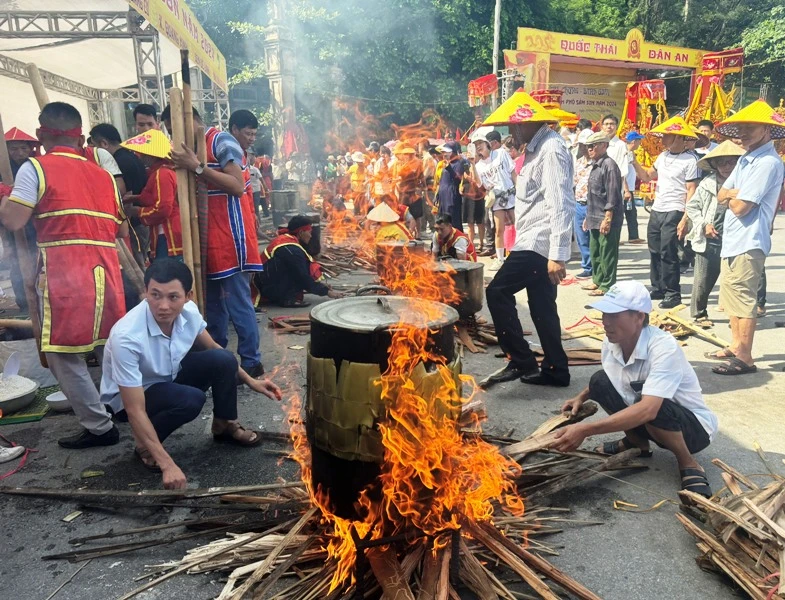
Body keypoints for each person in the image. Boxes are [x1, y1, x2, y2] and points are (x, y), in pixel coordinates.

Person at [0, 101, 126, 449]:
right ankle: (120, 407)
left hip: (64, 271)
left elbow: (12, 220)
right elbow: (119, 231)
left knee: (61, 352)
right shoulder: (103, 175)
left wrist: (6, 196)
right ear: (81, 136)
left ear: (41, 135)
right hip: (107, 269)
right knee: (109, 346)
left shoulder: (34, 169)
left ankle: (100, 427)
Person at [99, 259, 282, 488]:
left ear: (188, 296)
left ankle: (224, 425)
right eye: (155, 295)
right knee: (190, 400)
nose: (163, 305)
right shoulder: (126, 337)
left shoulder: (189, 312)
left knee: (223, 358)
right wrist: (167, 465)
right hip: (133, 397)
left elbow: (214, 348)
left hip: (168, 375)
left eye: (173, 297)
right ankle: (145, 448)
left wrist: (251, 381)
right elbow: (134, 409)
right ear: (145, 292)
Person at [551, 281, 717, 499]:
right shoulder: (612, 343)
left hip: (692, 430)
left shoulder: (663, 347)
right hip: (651, 417)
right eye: (604, 315)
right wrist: (580, 397)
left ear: (639, 317)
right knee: (599, 381)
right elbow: (612, 378)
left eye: (614, 315)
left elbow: (648, 410)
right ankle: (638, 443)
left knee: (654, 406)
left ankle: (689, 463)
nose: (605, 323)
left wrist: (586, 429)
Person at [484, 91, 573, 388]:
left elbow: (560, 202)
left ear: (528, 124)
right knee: (542, 307)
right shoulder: (535, 149)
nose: (511, 133)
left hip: (539, 243)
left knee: (497, 292)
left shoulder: (551, 149)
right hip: (533, 237)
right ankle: (556, 370)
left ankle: (520, 360)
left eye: (514, 127)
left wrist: (558, 255)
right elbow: (531, 196)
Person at [167, 107, 265, 377]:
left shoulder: (220, 140)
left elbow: (236, 185)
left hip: (231, 239)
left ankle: (251, 362)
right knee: (213, 308)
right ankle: (219, 361)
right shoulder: (189, 149)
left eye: (172, 128)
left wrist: (197, 167)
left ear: (187, 120)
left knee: (237, 303)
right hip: (206, 241)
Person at [708, 101, 785, 375]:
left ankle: (745, 357)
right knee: (732, 299)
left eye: (749, 127)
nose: (742, 133)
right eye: (740, 128)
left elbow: (741, 206)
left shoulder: (766, 163)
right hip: (735, 238)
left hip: (749, 239)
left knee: (743, 299)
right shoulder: (746, 158)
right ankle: (736, 344)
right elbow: (721, 194)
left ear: (766, 129)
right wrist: (732, 194)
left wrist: (731, 195)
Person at [631, 116, 699, 309]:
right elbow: (646, 176)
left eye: (667, 135)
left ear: (678, 137)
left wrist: (686, 218)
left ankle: (672, 293)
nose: (662, 138)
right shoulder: (663, 156)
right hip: (658, 208)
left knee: (668, 252)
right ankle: (658, 287)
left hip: (675, 209)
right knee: (654, 250)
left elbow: (691, 190)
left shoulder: (690, 160)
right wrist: (633, 161)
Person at [685, 141, 745, 323]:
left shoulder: (743, 183)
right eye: (722, 163)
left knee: (734, 281)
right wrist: (704, 224)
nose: (727, 167)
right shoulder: (707, 183)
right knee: (703, 280)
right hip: (710, 238)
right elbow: (692, 206)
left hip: (736, 238)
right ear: (715, 165)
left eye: (731, 162)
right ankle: (699, 314)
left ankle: (736, 319)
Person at [89, 123, 150, 267]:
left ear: (104, 143)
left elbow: (121, 193)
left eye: (93, 147)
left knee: (137, 266)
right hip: (141, 222)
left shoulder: (118, 162)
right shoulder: (132, 157)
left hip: (132, 224)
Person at [255, 215, 344, 307]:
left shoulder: (286, 239)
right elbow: (303, 277)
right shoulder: (292, 250)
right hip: (267, 288)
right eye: (309, 232)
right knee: (298, 271)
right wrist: (327, 292)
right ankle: (287, 299)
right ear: (301, 232)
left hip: (265, 282)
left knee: (298, 267)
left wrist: (320, 285)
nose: (311, 235)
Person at [120, 129, 182, 260]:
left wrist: (137, 211)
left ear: (151, 155)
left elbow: (163, 209)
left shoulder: (162, 174)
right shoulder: (167, 171)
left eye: (142, 153)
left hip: (167, 235)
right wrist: (136, 198)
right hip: (169, 233)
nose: (140, 156)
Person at [581, 132, 623, 296]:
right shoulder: (595, 165)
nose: (589, 149)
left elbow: (612, 195)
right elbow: (593, 196)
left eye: (593, 145)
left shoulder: (609, 165)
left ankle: (607, 284)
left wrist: (608, 218)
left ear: (604, 145)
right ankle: (597, 280)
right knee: (595, 251)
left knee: (607, 253)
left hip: (606, 217)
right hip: (593, 215)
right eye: (588, 146)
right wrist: (587, 216)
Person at [1, 128, 38, 312]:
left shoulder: (35, 165)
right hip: (11, 223)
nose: (19, 153)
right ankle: (24, 304)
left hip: (35, 223)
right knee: (17, 263)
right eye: (14, 149)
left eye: (23, 148)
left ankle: (38, 301)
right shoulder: (3, 170)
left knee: (37, 262)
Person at [472, 131, 517, 271]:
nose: (478, 146)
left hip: (510, 194)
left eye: (480, 143)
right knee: (499, 229)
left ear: (487, 143)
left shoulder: (501, 153)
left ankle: (522, 254)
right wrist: (472, 164)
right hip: (496, 198)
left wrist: (519, 189)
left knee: (519, 226)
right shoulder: (479, 166)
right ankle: (500, 258)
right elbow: (479, 184)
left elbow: (513, 172)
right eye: (475, 145)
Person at [572, 128, 594, 280]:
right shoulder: (579, 163)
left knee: (594, 238)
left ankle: (596, 267)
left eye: (587, 145)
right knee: (582, 238)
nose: (584, 148)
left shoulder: (599, 163)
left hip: (593, 205)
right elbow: (574, 182)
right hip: (578, 204)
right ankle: (587, 267)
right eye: (582, 145)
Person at [435, 141, 464, 232]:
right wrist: (438, 194)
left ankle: (457, 239)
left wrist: (449, 168)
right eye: (443, 152)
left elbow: (458, 178)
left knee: (453, 219)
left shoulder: (458, 163)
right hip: (443, 195)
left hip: (452, 195)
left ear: (453, 152)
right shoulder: (445, 163)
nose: (444, 154)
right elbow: (442, 181)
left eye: (446, 152)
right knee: (443, 219)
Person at [622, 131, 645, 244]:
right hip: (624, 189)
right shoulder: (624, 153)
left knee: (631, 212)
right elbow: (622, 174)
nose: (640, 143)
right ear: (634, 141)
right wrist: (626, 190)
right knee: (622, 213)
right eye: (639, 140)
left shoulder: (631, 153)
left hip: (629, 188)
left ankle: (633, 236)